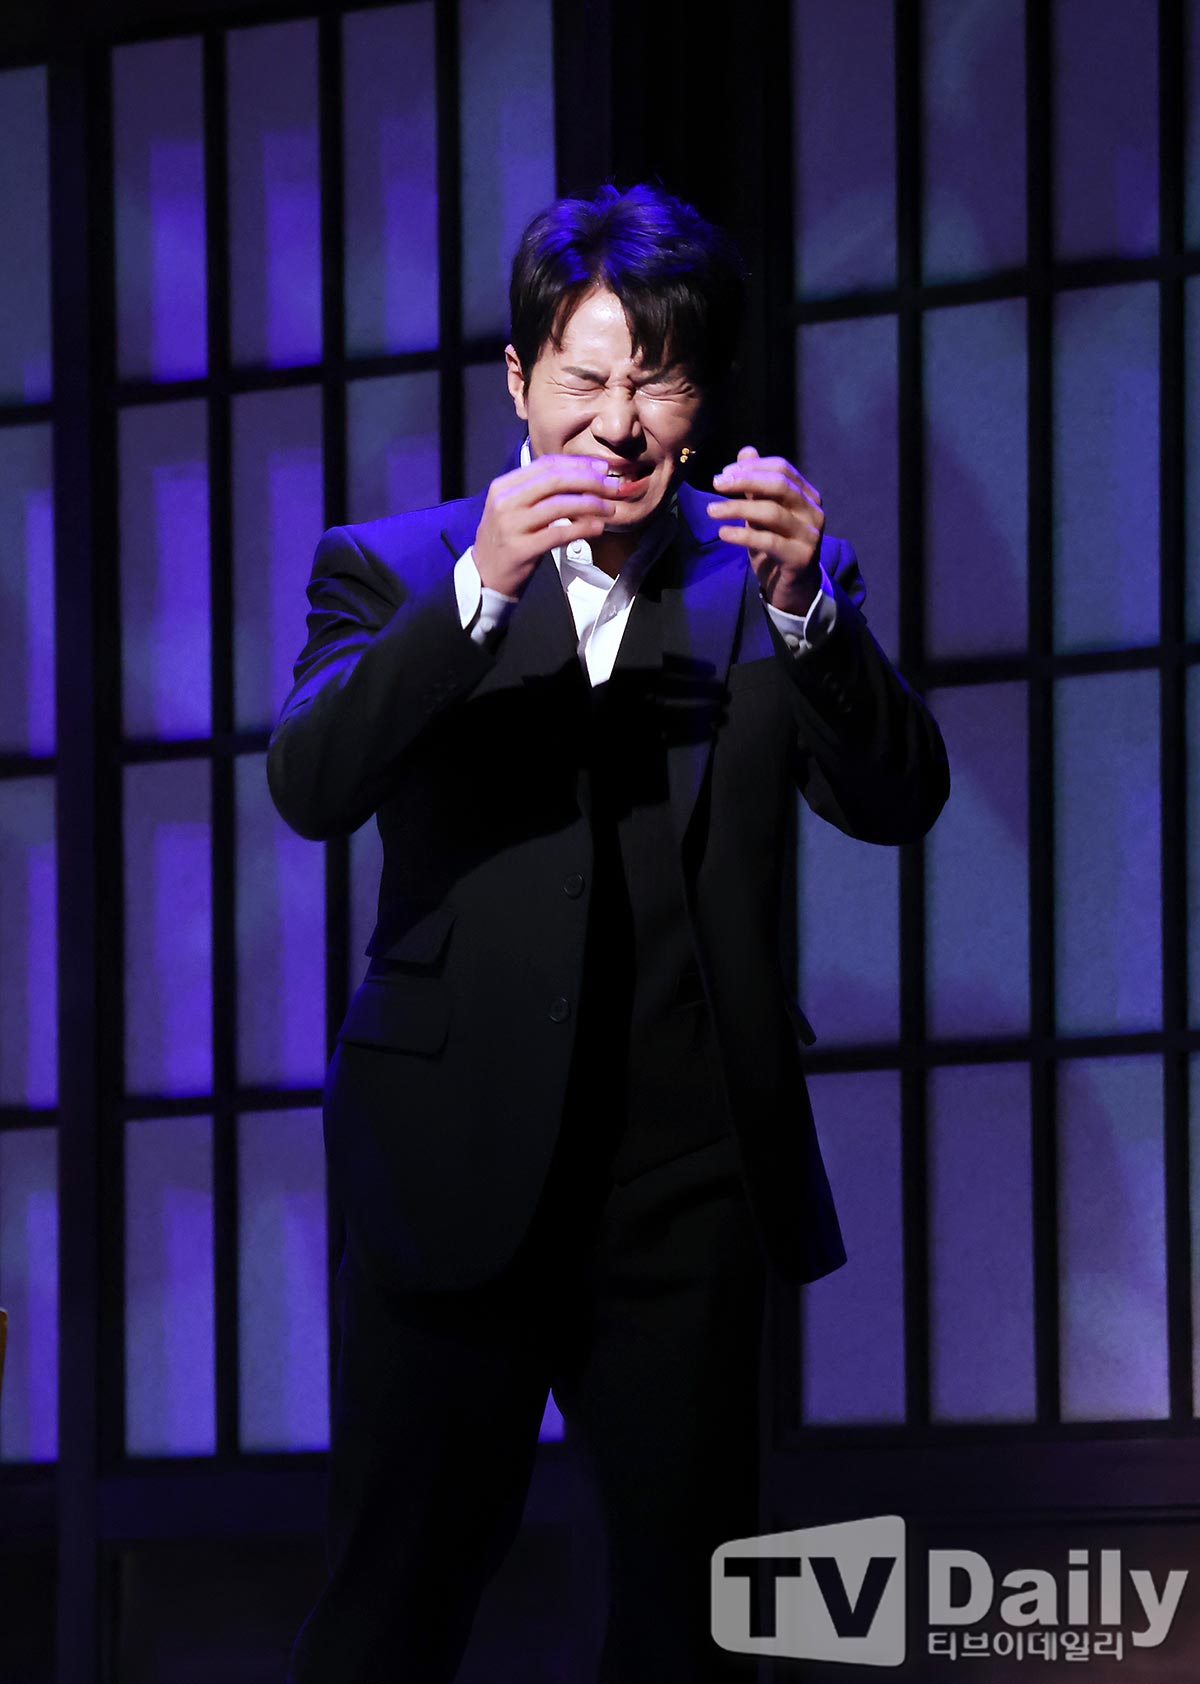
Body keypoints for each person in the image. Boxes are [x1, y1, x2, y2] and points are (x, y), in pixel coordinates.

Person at [269, 182, 949, 1684]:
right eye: (585, 379)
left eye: (660, 382)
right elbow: (311, 786)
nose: (619, 425)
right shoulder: (391, 566)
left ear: (701, 403)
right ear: (519, 382)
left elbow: (900, 799)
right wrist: (481, 587)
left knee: (693, 1622)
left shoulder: (765, 567)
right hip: (449, 1159)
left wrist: (811, 615)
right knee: (390, 1606)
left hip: (683, 1181)